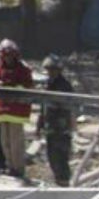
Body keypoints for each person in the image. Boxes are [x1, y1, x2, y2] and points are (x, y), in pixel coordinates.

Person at [0, 39, 34, 178]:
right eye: (5, 55)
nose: (7, 58)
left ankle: (18, 170)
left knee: (16, 142)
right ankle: (10, 167)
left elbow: (28, 87)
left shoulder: (23, 69)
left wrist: (12, 88)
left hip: (17, 111)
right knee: (5, 142)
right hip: (3, 109)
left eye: (10, 55)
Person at [37, 54, 75, 187]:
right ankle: (58, 182)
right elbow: (43, 108)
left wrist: (68, 126)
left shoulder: (65, 86)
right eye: (48, 70)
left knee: (61, 157)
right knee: (52, 156)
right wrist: (39, 125)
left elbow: (69, 108)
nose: (50, 73)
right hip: (50, 128)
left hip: (61, 129)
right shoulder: (47, 85)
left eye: (52, 69)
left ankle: (64, 183)